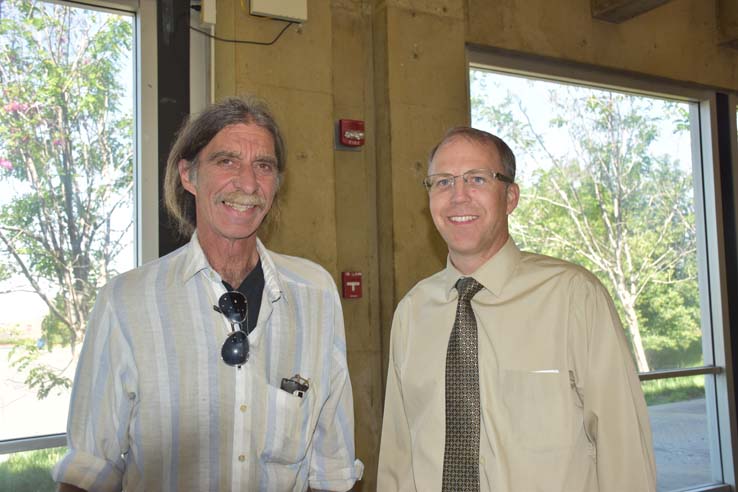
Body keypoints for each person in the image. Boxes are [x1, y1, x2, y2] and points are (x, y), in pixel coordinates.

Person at [53, 96, 363, 492]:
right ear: (188, 174)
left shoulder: (315, 294)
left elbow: (332, 469)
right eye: (227, 161)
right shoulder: (126, 302)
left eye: (263, 166)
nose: (248, 183)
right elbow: (89, 471)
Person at [377, 127, 656, 491]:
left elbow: (625, 451)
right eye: (442, 182)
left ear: (510, 196)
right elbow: (398, 458)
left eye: (476, 179)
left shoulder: (574, 297)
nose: (458, 196)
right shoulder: (412, 312)